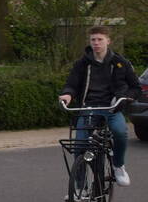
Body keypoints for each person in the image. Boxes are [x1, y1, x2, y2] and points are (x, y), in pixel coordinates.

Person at [59, 26, 140, 186]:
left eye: (100, 39)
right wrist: (68, 94)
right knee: (79, 147)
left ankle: (118, 166)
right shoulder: (82, 64)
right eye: (93, 40)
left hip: (112, 108)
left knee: (120, 132)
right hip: (87, 109)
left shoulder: (121, 63)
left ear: (108, 41)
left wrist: (125, 99)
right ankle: (79, 189)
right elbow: (72, 84)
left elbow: (135, 87)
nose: (96, 43)